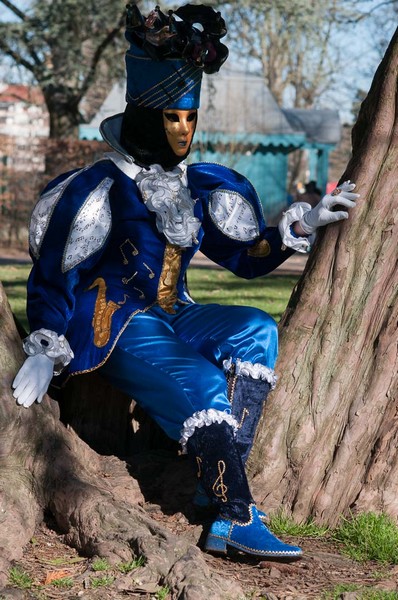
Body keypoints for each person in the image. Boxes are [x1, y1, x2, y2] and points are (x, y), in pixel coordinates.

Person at [12, 4, 358, 558]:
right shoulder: (100, 187)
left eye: (190, 118)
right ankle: (235, 514)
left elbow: (243, 256)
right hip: (118, 321)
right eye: (172, 118)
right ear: (147, 117)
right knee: (202, 383)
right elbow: (56, 269)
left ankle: (216, 493)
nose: (183, 130)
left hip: (178, 311)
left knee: (256, 329)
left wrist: (303, 223)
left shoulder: (193, 187)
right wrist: (44, 343)